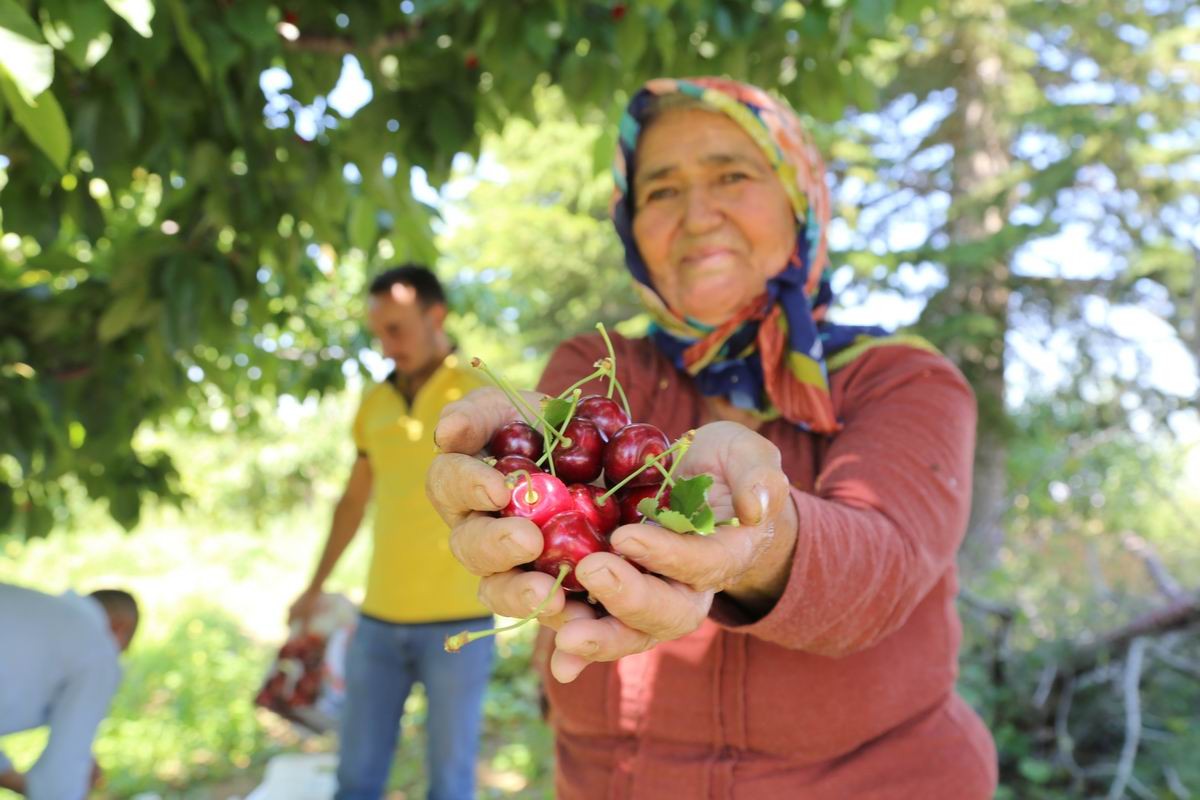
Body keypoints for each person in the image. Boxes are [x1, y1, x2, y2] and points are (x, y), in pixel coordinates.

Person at [426, 78, 999, 798]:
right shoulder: (593, 376)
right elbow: (553, 510)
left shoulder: (900, 378)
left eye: (732, 175)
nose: (698, 215)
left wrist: (757, 538)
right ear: (630, 226)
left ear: (799, 197)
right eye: (661, 191)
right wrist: (504, 495)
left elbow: (882, 566)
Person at [288, 265, 494, 800]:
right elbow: (353, 502)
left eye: (396, 329)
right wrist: (313, 587)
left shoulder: (479, 395)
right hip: (377, 622)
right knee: (355, 777)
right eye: (378, 333)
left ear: (435, 315)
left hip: (461, 624)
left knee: (451, 782)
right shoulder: (374, 404)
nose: (385, 346)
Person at [0, 583, 139, 800]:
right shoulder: (99, 650)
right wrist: (73, 771)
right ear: (120, 628)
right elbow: (61, 784)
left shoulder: (33, 613)